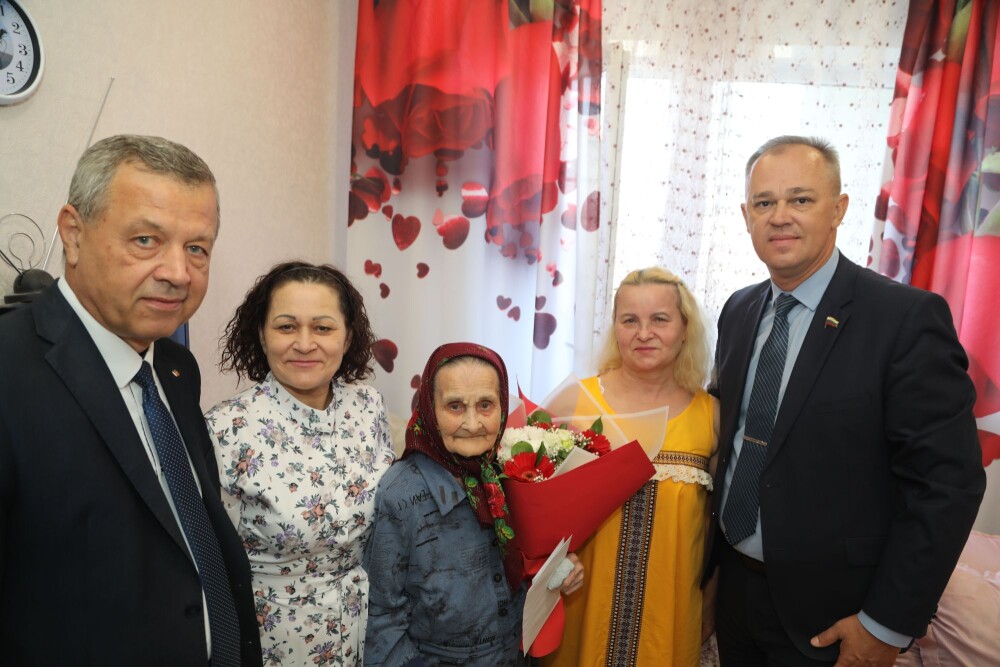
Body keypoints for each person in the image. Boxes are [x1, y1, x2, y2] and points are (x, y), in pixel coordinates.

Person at [707, 136, 986, 666]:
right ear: (746, 216)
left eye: (801, 199)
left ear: (838, 209)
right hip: (736, 593)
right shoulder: (738, 311)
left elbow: (947, 485)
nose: (780, 216)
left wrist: (885, 625)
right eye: (764, 202)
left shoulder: (904, 320)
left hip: (834, 616)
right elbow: (737, 448)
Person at [0, 135, 262, 665]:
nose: (178, 273)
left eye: (197, 248)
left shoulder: (176, 368)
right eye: (146, 240)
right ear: (73, 234)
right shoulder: (10, 371)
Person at [205, 261, 395, 665]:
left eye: (323, 328)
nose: (305, 344)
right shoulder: (225, 428)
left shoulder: (369, 407)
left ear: (347, 337)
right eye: (287, 326)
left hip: (369, 628)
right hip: (274, 640)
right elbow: (207, 562)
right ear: (262, 334)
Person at [363, 342, 584, 666]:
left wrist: (558, 571)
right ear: (430, 410)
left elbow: (521, 573)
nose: (473, 422)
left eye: (485, 405)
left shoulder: (509, 474)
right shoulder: (401, 494)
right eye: (455, 406)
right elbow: (381, 619)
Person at [540, 267, 719, 667]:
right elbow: (529, 509)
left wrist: (711, 602)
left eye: (660, 319)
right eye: (630, 320)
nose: (644, 333)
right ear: (615, 329)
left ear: (685, 329)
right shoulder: (572, 404)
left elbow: (716, 528)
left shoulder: (712, 418)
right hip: (581, 610)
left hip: (669, 619)